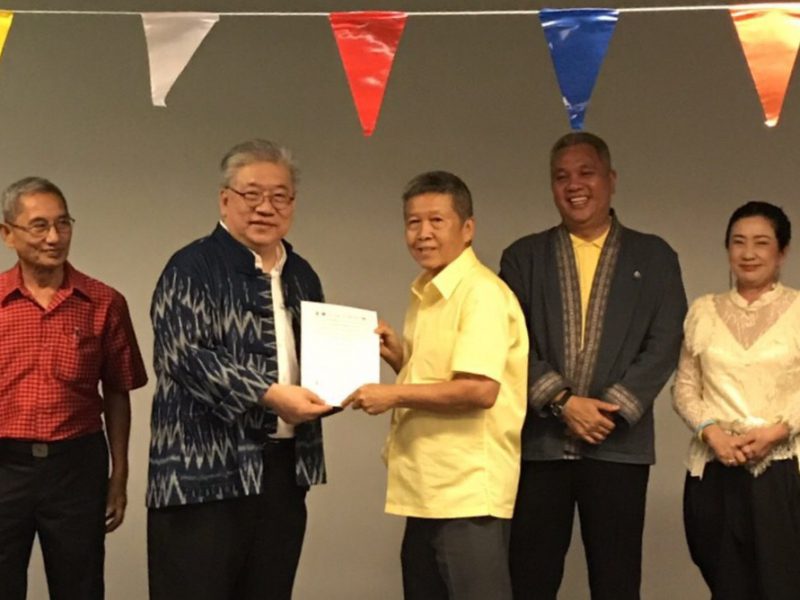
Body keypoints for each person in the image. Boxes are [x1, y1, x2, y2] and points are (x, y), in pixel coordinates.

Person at [500, 132, 687, 600]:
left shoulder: (655, 257)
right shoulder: (523, 258)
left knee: (617, 579)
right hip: (541, 445)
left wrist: (606, 410)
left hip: (618, 445)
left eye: (586, 172)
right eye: (561, 176)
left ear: (611, 180)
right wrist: (562, 402)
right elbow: (509, 342)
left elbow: (665, 342)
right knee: (530, 578)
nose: (574, 185)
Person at [146, 139, 332, 600]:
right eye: (252, 194)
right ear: (225, 199)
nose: (265, 207)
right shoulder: (191, 267)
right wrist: (270, 395)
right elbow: (187, 355)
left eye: (279, 196)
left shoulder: (302, 274)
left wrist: (355, 369)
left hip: (283, 472)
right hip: (202, 475)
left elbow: (323, 359)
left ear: (293, 203)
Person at [344, 171, 528, 600]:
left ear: (468, 229)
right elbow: (445, 378)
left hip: (465, 492)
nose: (422, 233)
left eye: (436, 221)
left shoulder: (480, 293)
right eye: (413, 222)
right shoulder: (429, 291)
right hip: (428, 488)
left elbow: (479, 390)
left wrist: (392, 395)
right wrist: (399, 359)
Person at [0, 176, 147, 600]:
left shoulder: (104, 302)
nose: (53, 237)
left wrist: (118, 475)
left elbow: (119, 391)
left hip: (77, 466)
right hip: (4, 464)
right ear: (8, 234)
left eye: (63, 224)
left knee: (80, 587)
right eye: (39, 225)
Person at [673, 201, 800, 599]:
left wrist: (776, 432)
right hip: (716, 467)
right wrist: (712, 434)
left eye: (761, 243)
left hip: (783, 470)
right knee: (726, 585)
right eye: (738, 242)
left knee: (784, 584)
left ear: (782, 252)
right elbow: (685, 387)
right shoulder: (703, 311)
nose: (748, 253)